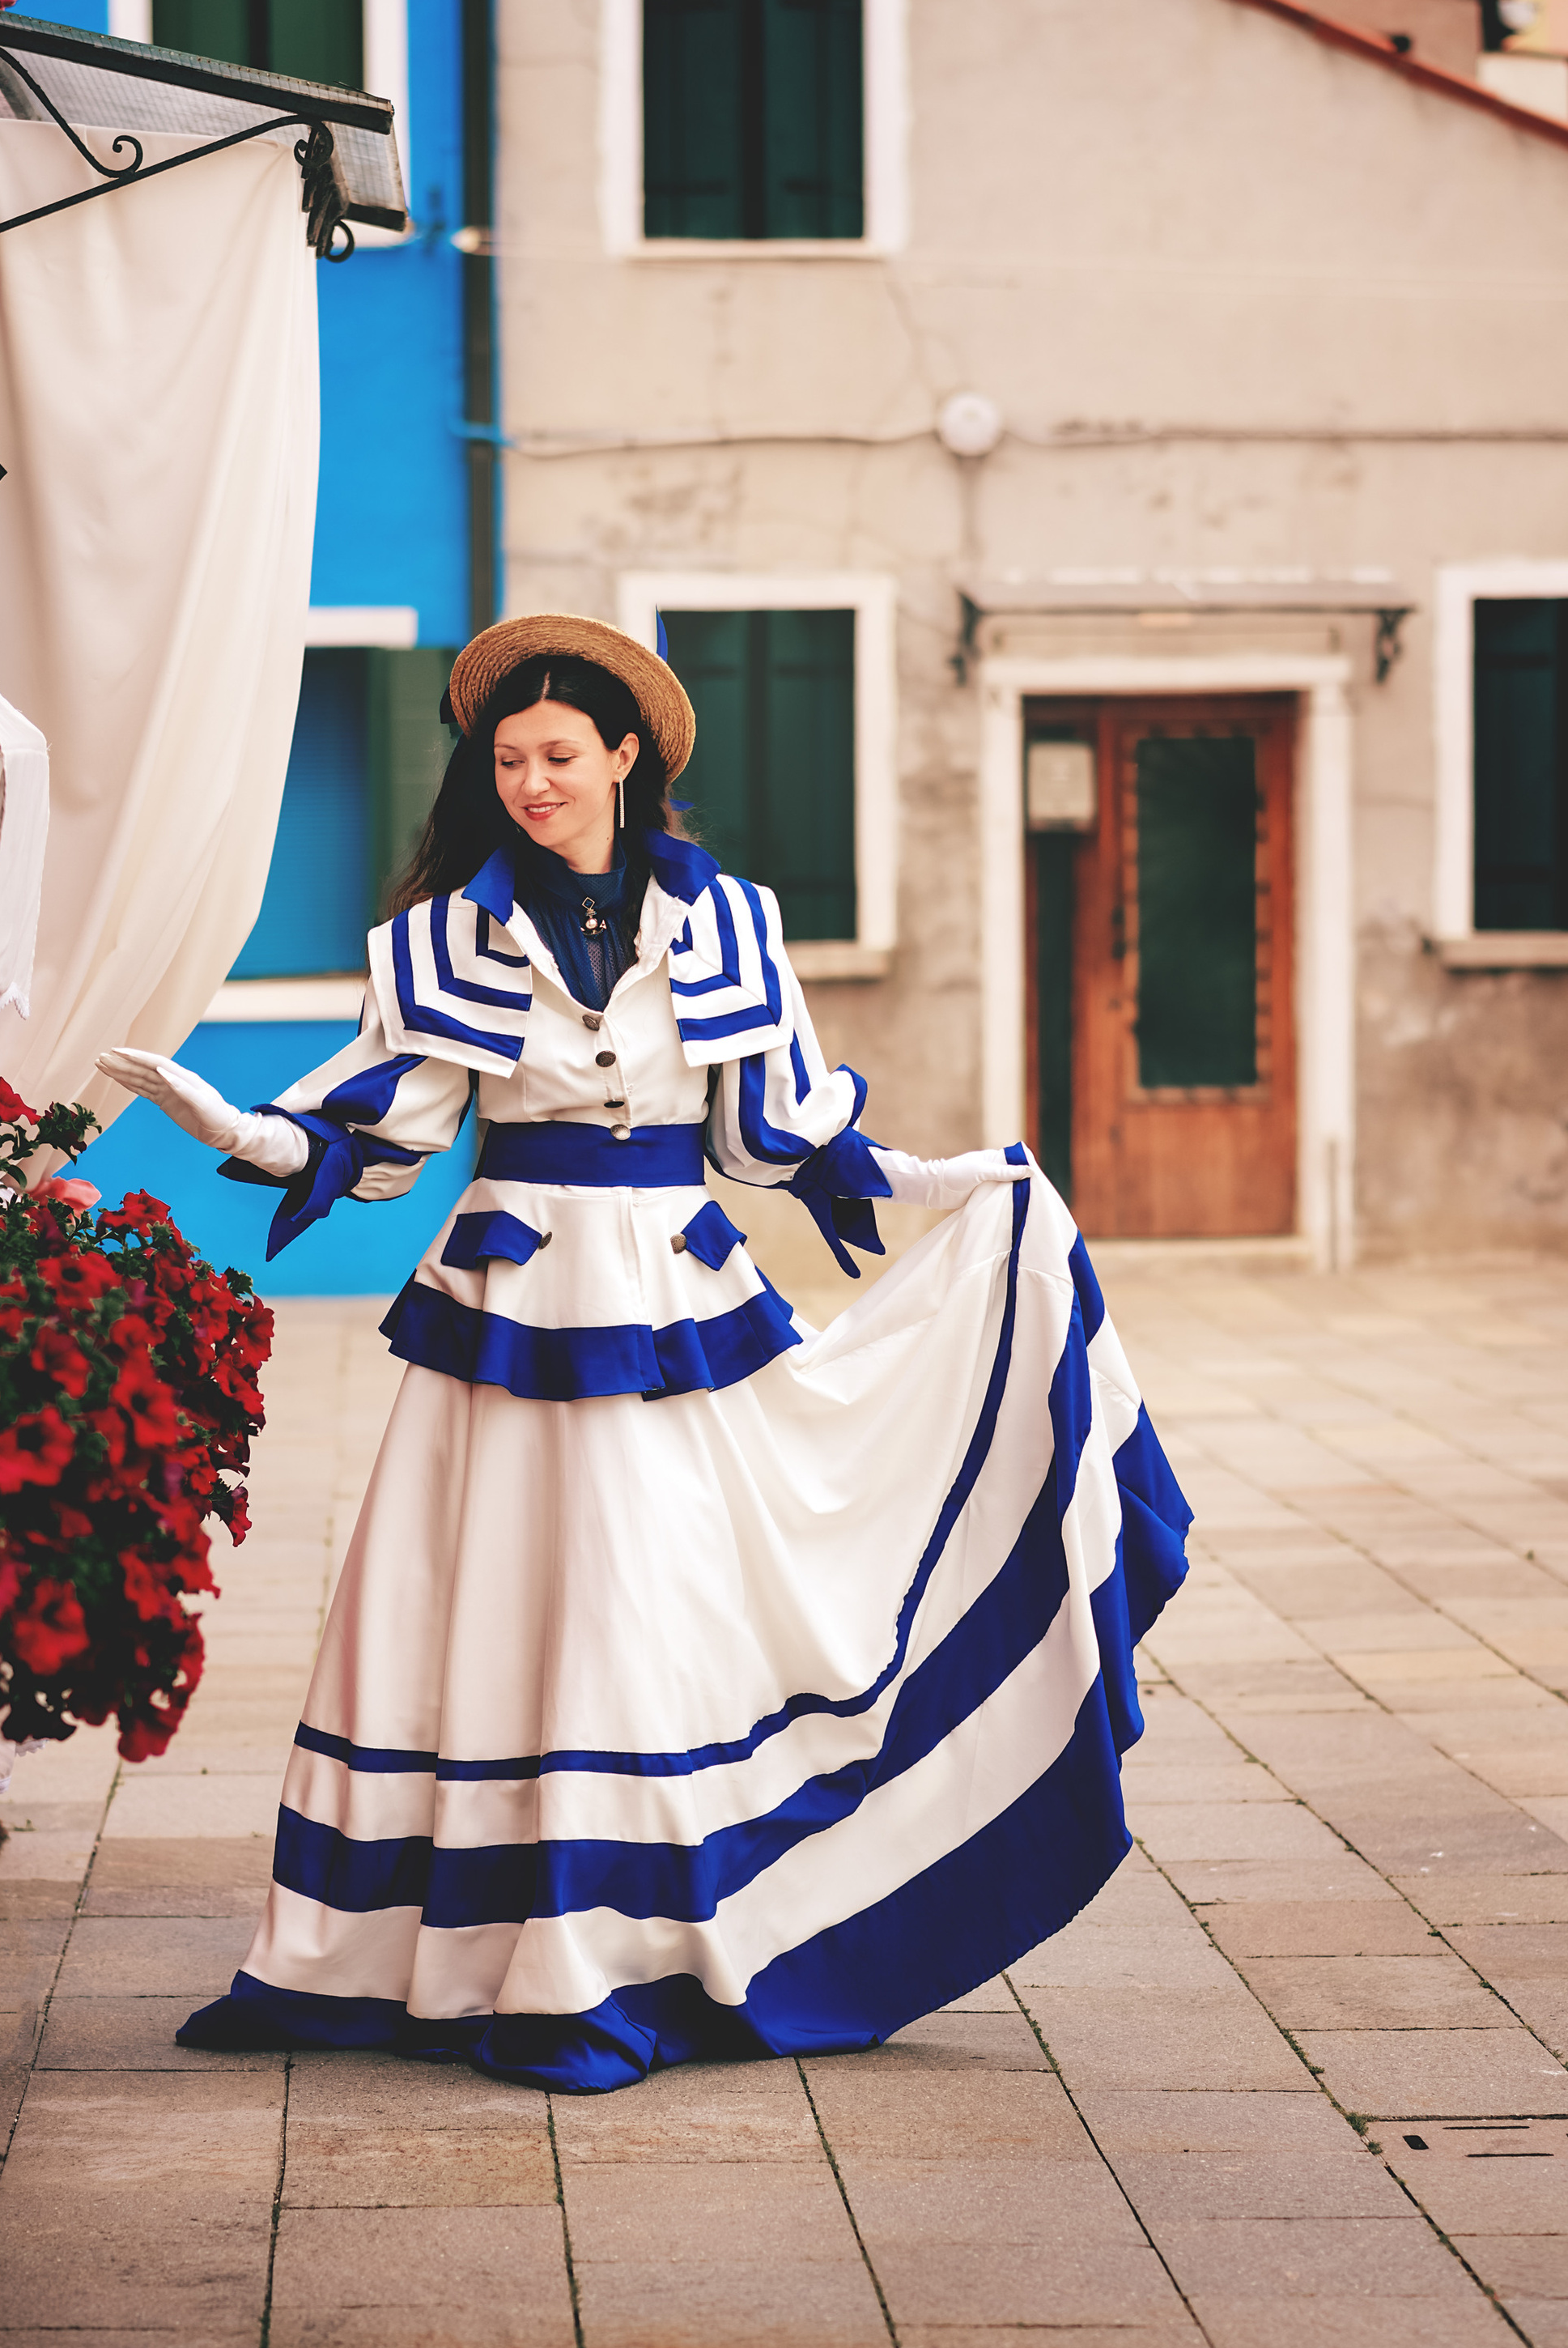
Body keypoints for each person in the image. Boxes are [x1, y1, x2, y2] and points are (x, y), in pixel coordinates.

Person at [98, 612, 1190, 2095]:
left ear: (625, 757)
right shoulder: (438, 942)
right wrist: (227, 1123)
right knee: (492, 1616)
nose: (532, 781)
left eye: (558, 754)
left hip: (677, 1303)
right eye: (508, 759)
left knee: (646, 1613)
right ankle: (468, 1946)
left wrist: (943, 1183)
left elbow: (775, 1135)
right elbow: (376, 1135)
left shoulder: (732, 923)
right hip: (509, 1314)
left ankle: (613, 1950)